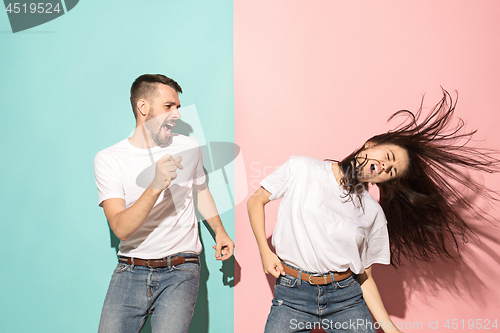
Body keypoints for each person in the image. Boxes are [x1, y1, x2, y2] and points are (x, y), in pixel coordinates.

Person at [247, 89, 500, 333]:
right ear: (371, 144)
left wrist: (390, 328)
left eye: (391, 171)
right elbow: (255, 201)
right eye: (387, 156)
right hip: (292, 294)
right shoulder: (302, 168)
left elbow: (365, 277)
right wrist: (264, 252)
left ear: (383, 182)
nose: (384, 166)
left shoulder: (372, 213)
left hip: (344, 298)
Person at [94, 74, 234, 333]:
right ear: (143, 107)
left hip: (180, 271)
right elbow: (121, 228)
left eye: (178, 107)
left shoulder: (189, 146)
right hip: (130, 270)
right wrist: (156, 184)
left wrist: (220, 229)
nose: (178, 114)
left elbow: (200, 190)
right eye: (169, 106)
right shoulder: (109, 159)